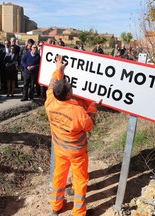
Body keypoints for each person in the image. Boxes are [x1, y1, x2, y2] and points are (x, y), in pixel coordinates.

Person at [45, 55, 102, 216]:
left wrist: (59, 70)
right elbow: (89, 125)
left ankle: (56, 206)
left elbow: (52, 84)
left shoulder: (50, 101)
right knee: (79, 179)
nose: (72, 88)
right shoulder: (77, 111)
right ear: (69, 95)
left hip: (60, 148)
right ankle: (78, 212)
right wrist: (93, 107)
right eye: (71, 88)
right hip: (77, 152)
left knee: (59, 175)